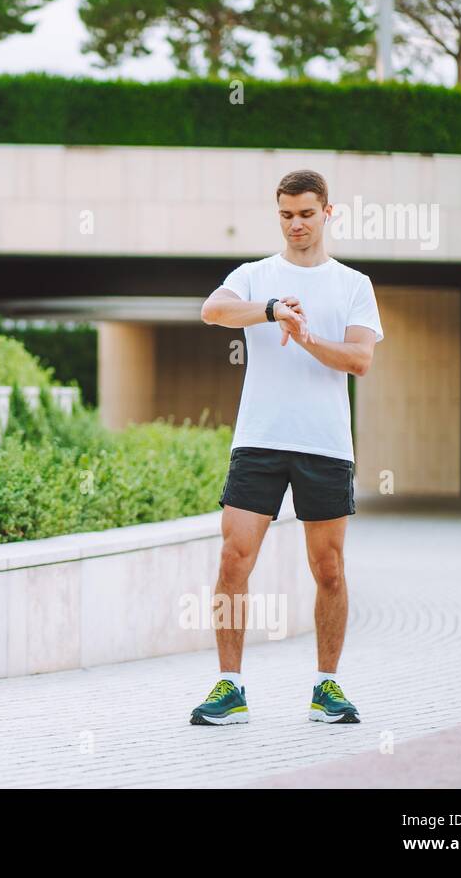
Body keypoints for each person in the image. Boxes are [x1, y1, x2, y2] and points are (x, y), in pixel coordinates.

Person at [190, 169, 383, 726]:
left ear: (328, 213)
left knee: (328, 569)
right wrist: (273, 308)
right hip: (259, 440)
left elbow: (360, 360)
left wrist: (306, 336)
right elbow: (213, 311)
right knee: (233, 559)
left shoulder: (353, 285)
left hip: (324, 445)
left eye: (305, 213)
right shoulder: (254, 276)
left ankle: (327, 687)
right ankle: (230, 687)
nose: (296, 224)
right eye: (286, 214)